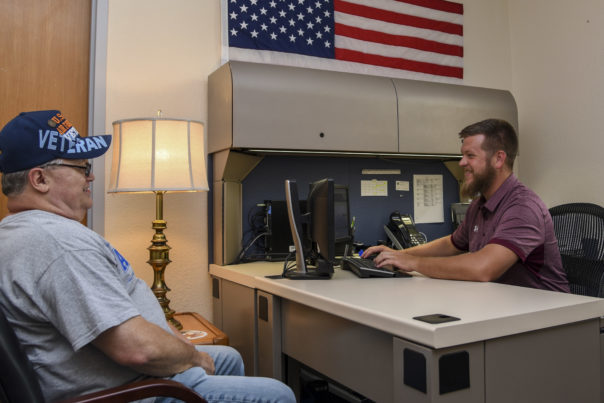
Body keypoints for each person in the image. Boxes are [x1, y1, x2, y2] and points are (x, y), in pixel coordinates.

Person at [0, 110, 295, 403]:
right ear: (39, 179)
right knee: (278, 395)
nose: (90, 175)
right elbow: (138, 350)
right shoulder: (60, 245)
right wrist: (192, 356)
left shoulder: (27, 232)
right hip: (139, 392)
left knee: (227, 357)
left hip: (134, 376)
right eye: (81, 167)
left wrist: (179, 346)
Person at [363, 118, 570, 292]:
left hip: (546, 319)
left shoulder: (523, 207)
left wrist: (413, 263)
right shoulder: (480, 205)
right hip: (503, 307)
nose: (462, 163)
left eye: (470, 156)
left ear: (499, 159)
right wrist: (399, 255)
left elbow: (483, 268)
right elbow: (452, 244)